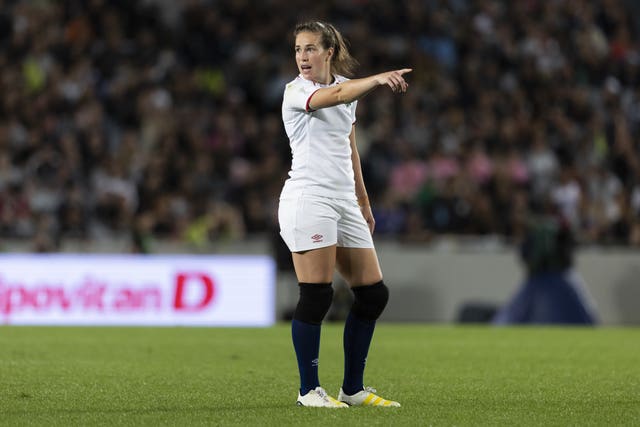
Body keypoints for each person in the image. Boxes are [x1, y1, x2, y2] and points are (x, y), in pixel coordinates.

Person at [278, 20, 410, 408]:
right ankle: (308, 391)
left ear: (329, 51)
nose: (302, 57)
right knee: (317, 295)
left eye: (310, 48)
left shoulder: (346, 93)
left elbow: (349, 148)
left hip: (344, 201)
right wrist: (376, 79)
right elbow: (332, 97)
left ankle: (352, 389)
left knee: (372, 294)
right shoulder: (296, 92)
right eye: (298, 49)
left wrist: (364, 203)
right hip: (309, 198)